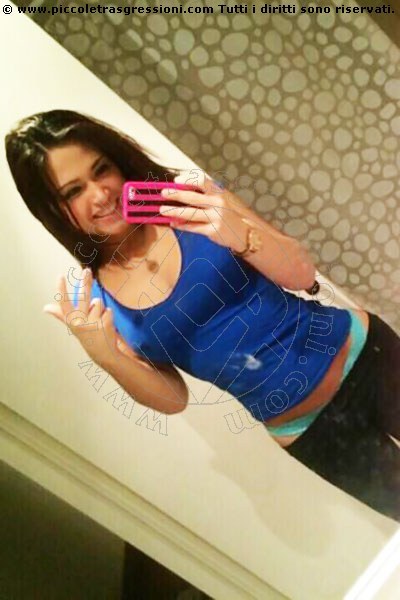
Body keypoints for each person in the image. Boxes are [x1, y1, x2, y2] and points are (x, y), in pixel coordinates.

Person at [5, 109, 400, 520]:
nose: (100, 194)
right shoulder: (95, 301)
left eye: (101, 169)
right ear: (51, 209)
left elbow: (300, 274)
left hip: (368, 360)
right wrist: (104, 356)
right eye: (73, 191)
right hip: (313, 434)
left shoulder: (190, 203)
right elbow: (173, 399)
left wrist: (237, 231)